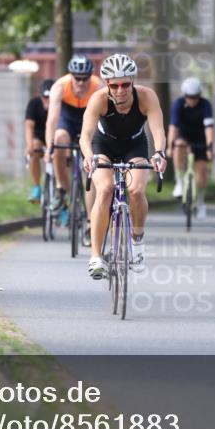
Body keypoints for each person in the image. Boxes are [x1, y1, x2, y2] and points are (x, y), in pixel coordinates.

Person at [81, 53, 167, 279]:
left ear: (133, 81)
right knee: (106, 189)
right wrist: (89, 156)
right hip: (104, 145)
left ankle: (137, 243)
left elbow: (158, 131)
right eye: (115, 85)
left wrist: (159, 154)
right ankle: (96, 256)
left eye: (126, 84)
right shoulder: (98, 99)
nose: (121, 90)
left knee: (137, 190)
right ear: (107, 85)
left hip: (134, 145)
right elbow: (85, 136)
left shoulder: (147, 97)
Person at [45, 55, 104, 225]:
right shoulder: (60, 87)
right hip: (68, 118)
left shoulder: (98, 86)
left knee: (90, 172)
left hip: (89, 118)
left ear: (90, 76)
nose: (81, 82)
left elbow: (105, 117)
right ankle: (61, 188)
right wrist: (50, 146)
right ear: (71, 75)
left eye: (85, 78)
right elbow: (52, 119)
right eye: (77, 78)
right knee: (59, 138)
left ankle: (90, 223)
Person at [168, 77, 215, 219]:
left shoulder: (206, 105)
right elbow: (173, 127)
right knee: (178, 145)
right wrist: (170, 146)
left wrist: (210, 148)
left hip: (200, 138)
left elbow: (209, 128)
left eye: (195, 97)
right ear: (184, 95)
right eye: (189, 97)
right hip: (184, 136)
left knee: (201, 174)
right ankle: (180, 182)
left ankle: (200, 201)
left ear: (199, 95)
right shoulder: (178, 104)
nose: (192, 100)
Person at [23, 78, 53, 202]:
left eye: (51, 97)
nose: (48, 100)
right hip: (40, 137)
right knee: (34, 150)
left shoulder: (61, 104)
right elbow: (29, 125)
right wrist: (29, 145)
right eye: (45, 97)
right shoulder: (34, 104)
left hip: (55, 137)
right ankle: (36, 187)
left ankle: (62, 196)